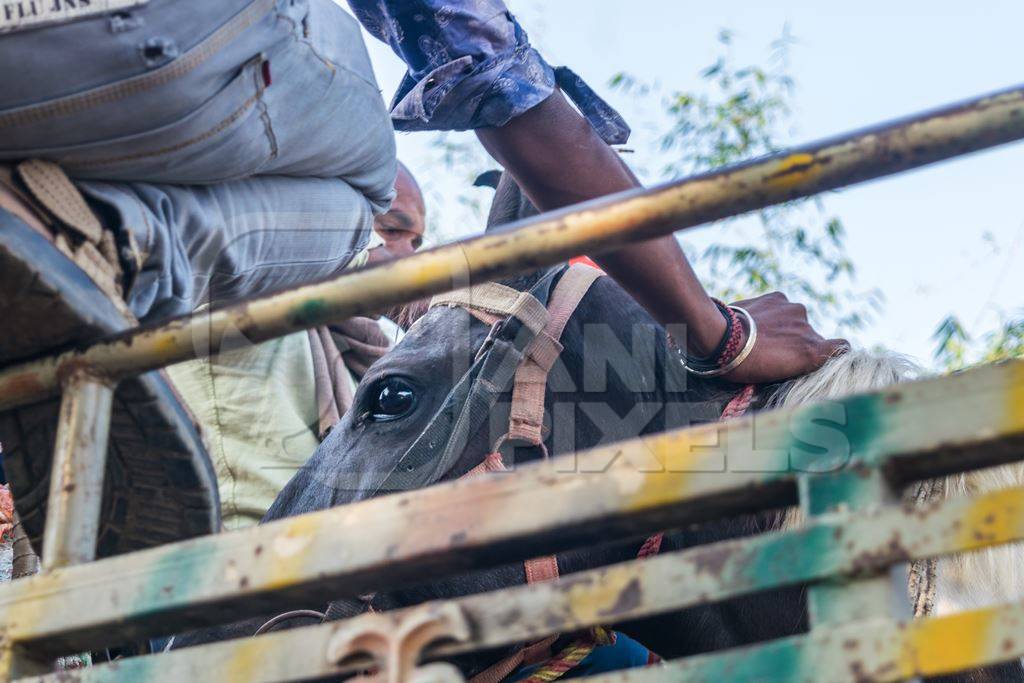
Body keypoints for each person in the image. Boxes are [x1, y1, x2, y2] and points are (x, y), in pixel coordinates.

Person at [166, 162, 426, 529]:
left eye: (417, 243)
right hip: (233, 556)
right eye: (391, 230)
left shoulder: (354, 355)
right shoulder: (235, 282)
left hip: (325, 558)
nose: (408, 255)